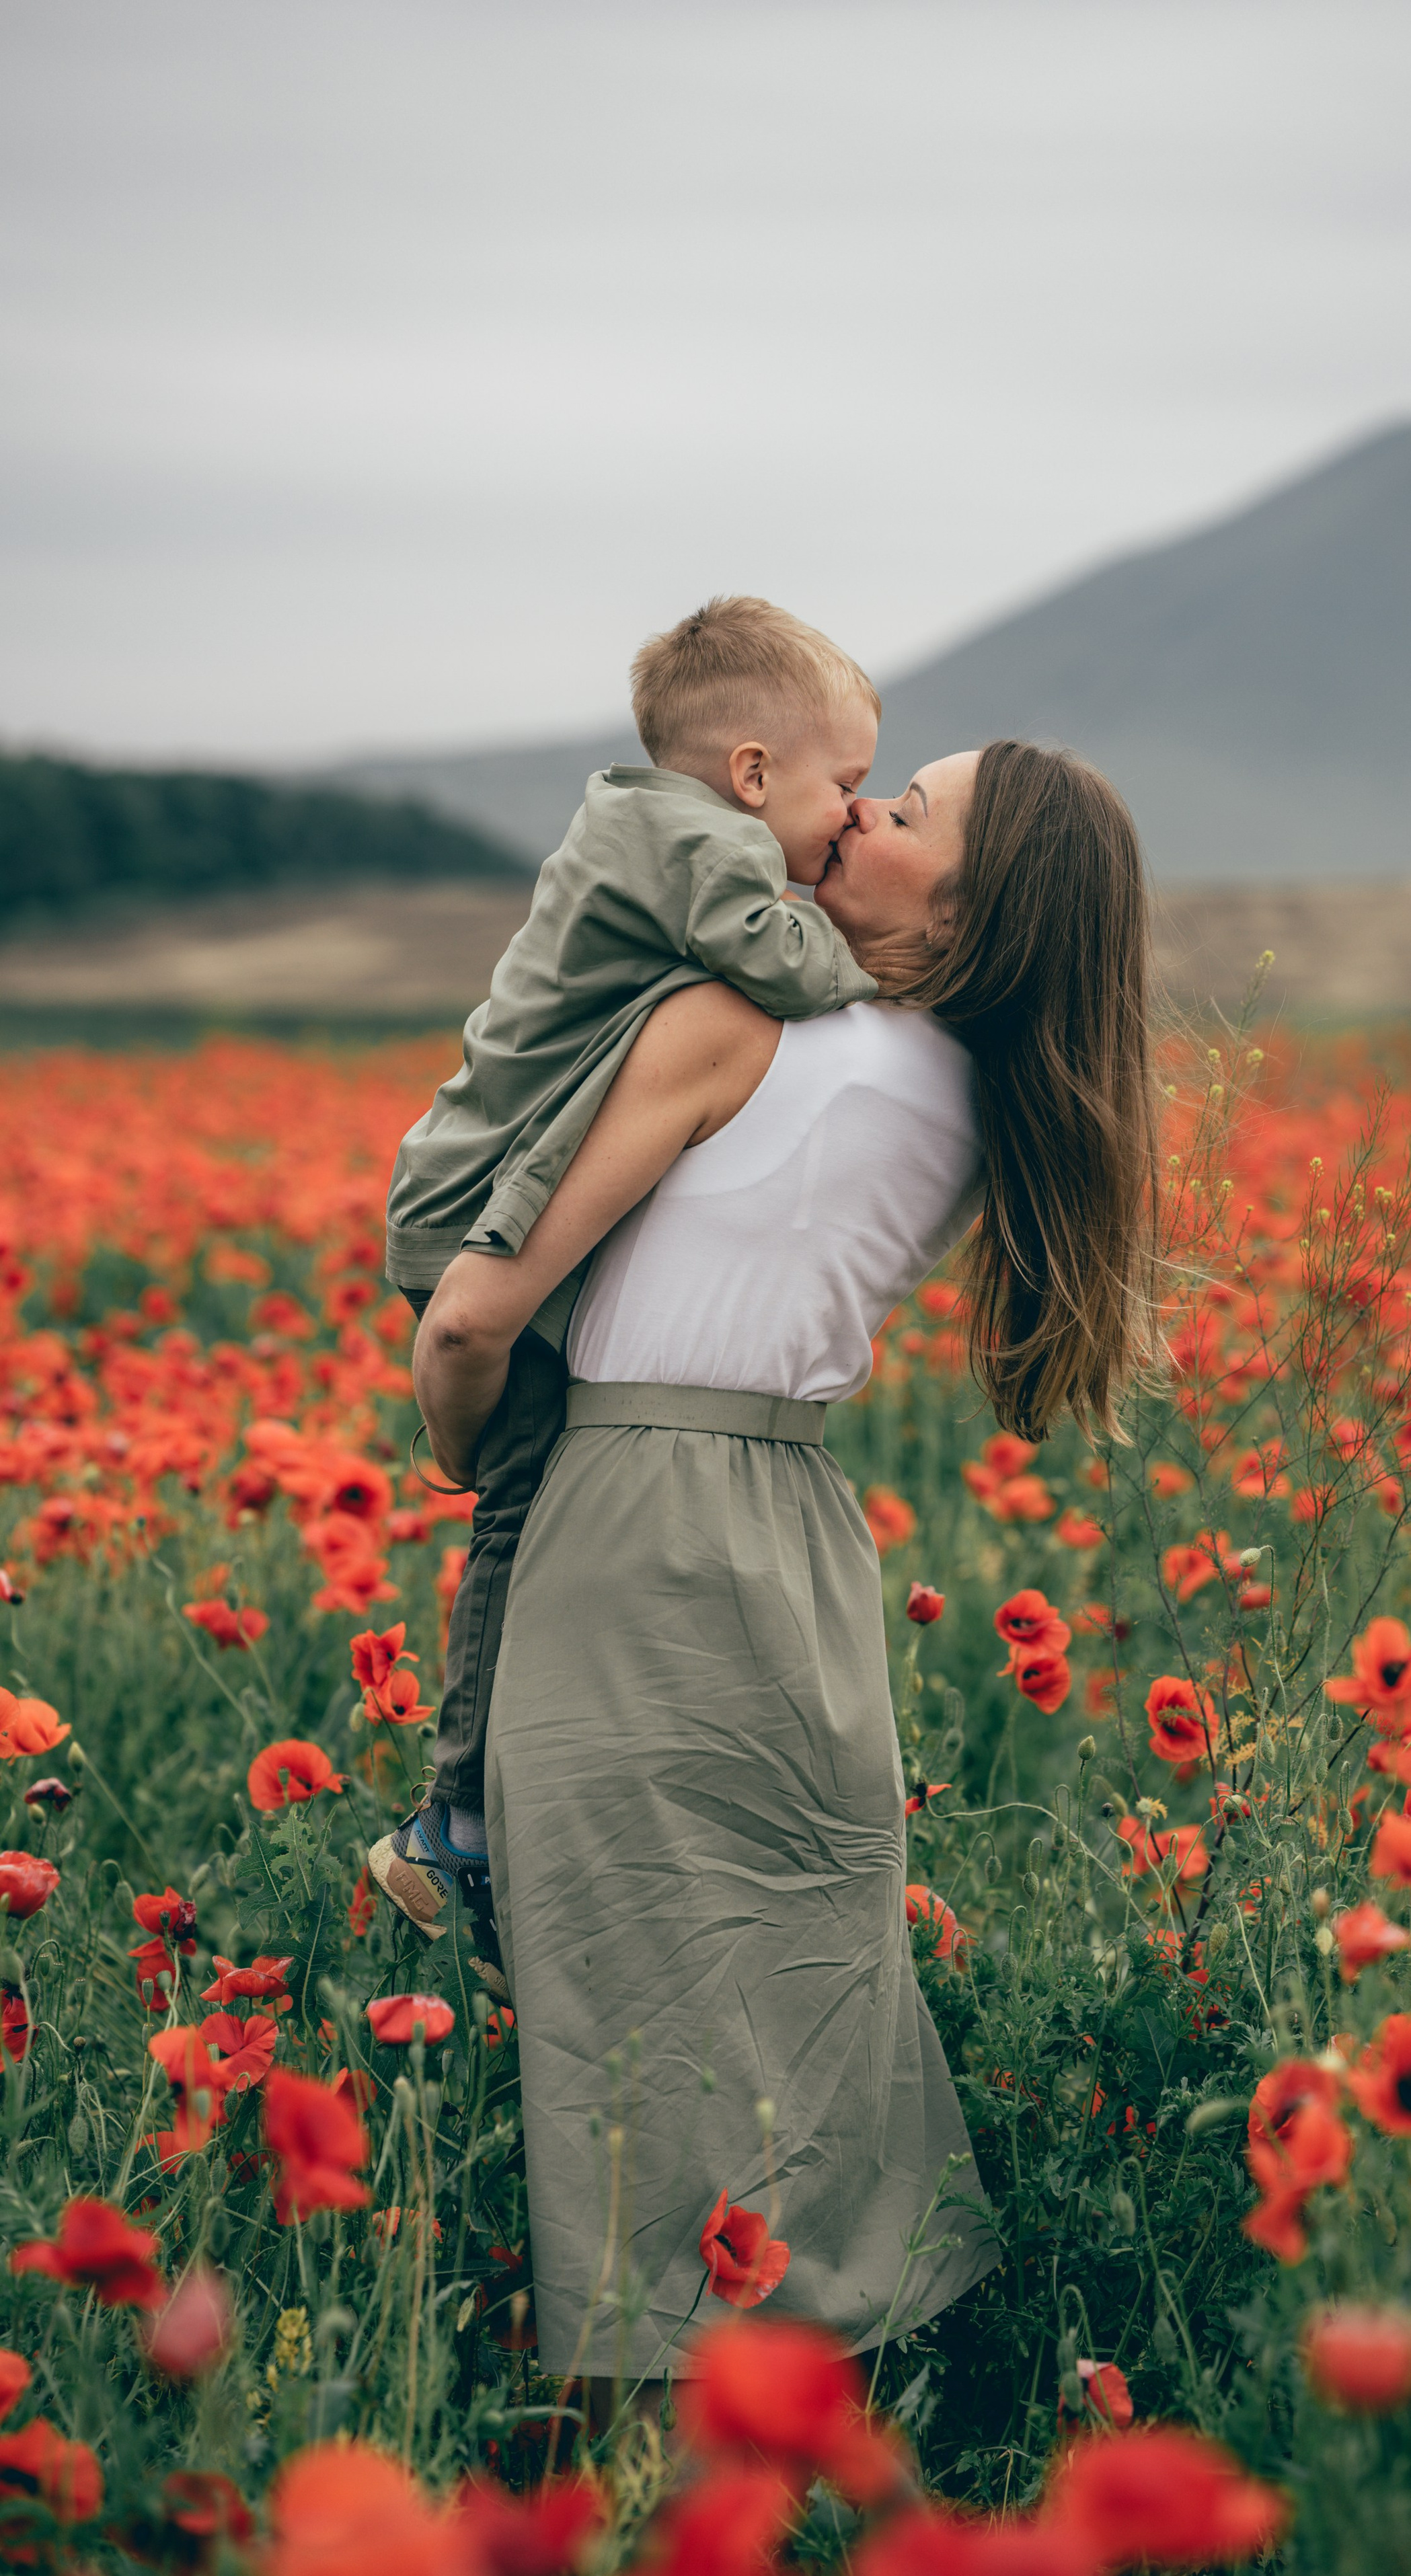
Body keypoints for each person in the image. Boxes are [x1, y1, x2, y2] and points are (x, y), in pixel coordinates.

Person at [413, 739, 1159, 2378]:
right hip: (792, 1523)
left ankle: (643, 2453)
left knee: (624, 1993)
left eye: (909, 813)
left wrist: (463, 1434)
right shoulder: (973, 1096)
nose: (860, 814)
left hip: (631, 1515)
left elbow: (476, 1306)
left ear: (975, 905)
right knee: (792, 1982)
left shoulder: (740, 1028)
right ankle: (845, 2401)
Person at [374, 599, 880, 1984]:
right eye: (843, 785)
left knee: (537, 1509)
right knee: (524, 1507)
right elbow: (774, 963)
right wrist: (897, 974)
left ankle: (484, 1812)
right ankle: (455, 1824)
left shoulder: (652, 830)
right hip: (474, 1213)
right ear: (754, 774)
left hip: (484, 1190)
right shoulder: (694, 847)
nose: (854, 819)